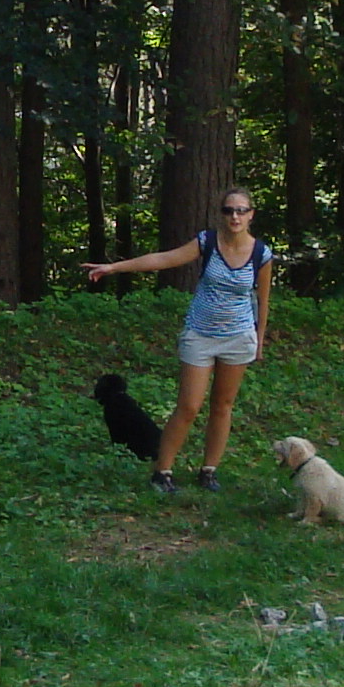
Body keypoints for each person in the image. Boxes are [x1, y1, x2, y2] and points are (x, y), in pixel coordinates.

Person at [86, 189, 276, 493]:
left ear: (251, 214)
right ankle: (162, 472)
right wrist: (113, 267)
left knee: (223, 405)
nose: (235, 216)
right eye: (229, 210)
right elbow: (164, 259)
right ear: (221, 214)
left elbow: (263, 301)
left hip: (238, 338)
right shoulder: (207, 242)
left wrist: (259, 339)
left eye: (241, 210)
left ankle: (209, 470)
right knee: (189, 406)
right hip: (200, 335)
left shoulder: (261, 254)